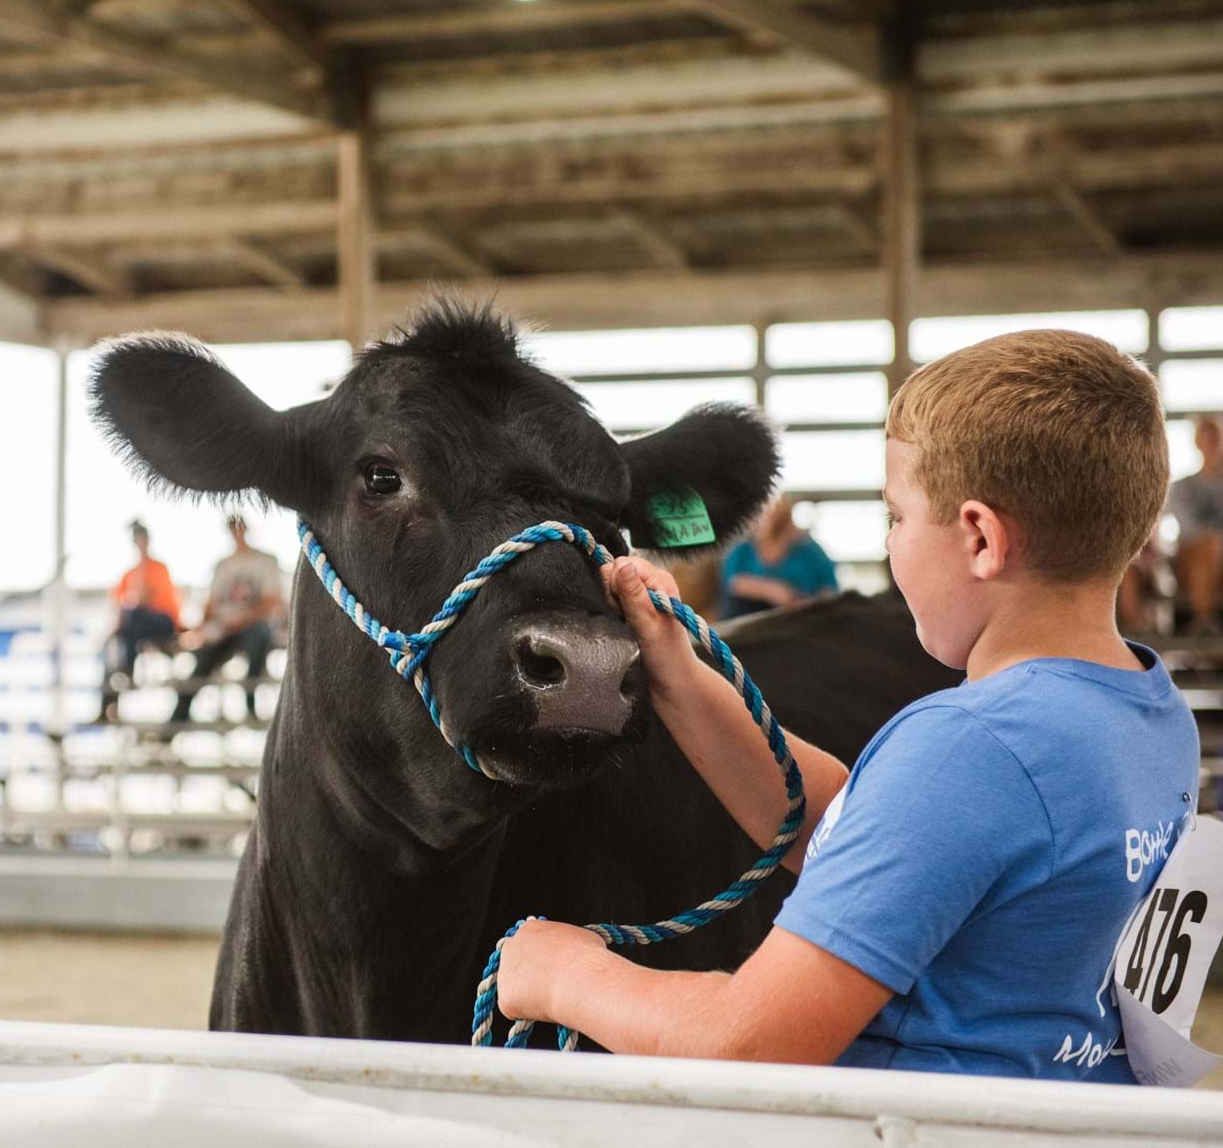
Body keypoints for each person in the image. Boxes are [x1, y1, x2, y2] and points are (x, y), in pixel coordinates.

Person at [495, 330, 1199, 1082]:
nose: (891, 542)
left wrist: (563, 976)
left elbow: (752, 1042)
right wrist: (682, 674)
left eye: (896, 516)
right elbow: (872, 834)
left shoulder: (969, 749)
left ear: (980, 538)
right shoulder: (1151, 713)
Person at [170, 515, 283, 722]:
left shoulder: (266, 561)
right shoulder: (222, 565)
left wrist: (242, 619)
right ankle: (176, 721)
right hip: (223, 629)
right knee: (200, 663)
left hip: (255, 626)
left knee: (257, 644)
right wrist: (198, 630)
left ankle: (250, 706)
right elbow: (211, 604)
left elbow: (272, 601)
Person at [97, 521, 181, 720]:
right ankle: (107, 706)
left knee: (132, 617)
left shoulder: (158, 568)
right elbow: (119, 604)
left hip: (162, 622)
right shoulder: (129, 573)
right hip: (135, 628)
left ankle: (128, 668)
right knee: (112, 647)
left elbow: (146, 600)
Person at [718, 495, 837, 619]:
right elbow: (733, 583)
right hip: (749, 619)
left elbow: (829, 589)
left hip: (799, 617)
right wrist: (773, 591)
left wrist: (807, 602)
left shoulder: (809, 550)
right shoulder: (743, 549)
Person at [1166, 415, 1223, 634]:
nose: (1212, 444)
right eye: (1206, 438)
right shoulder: (1181, 488)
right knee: (1209, 546)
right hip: (1192, 561)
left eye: (1216, 437)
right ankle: (1204, 622)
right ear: (1198, 443)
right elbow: (1190, 531)